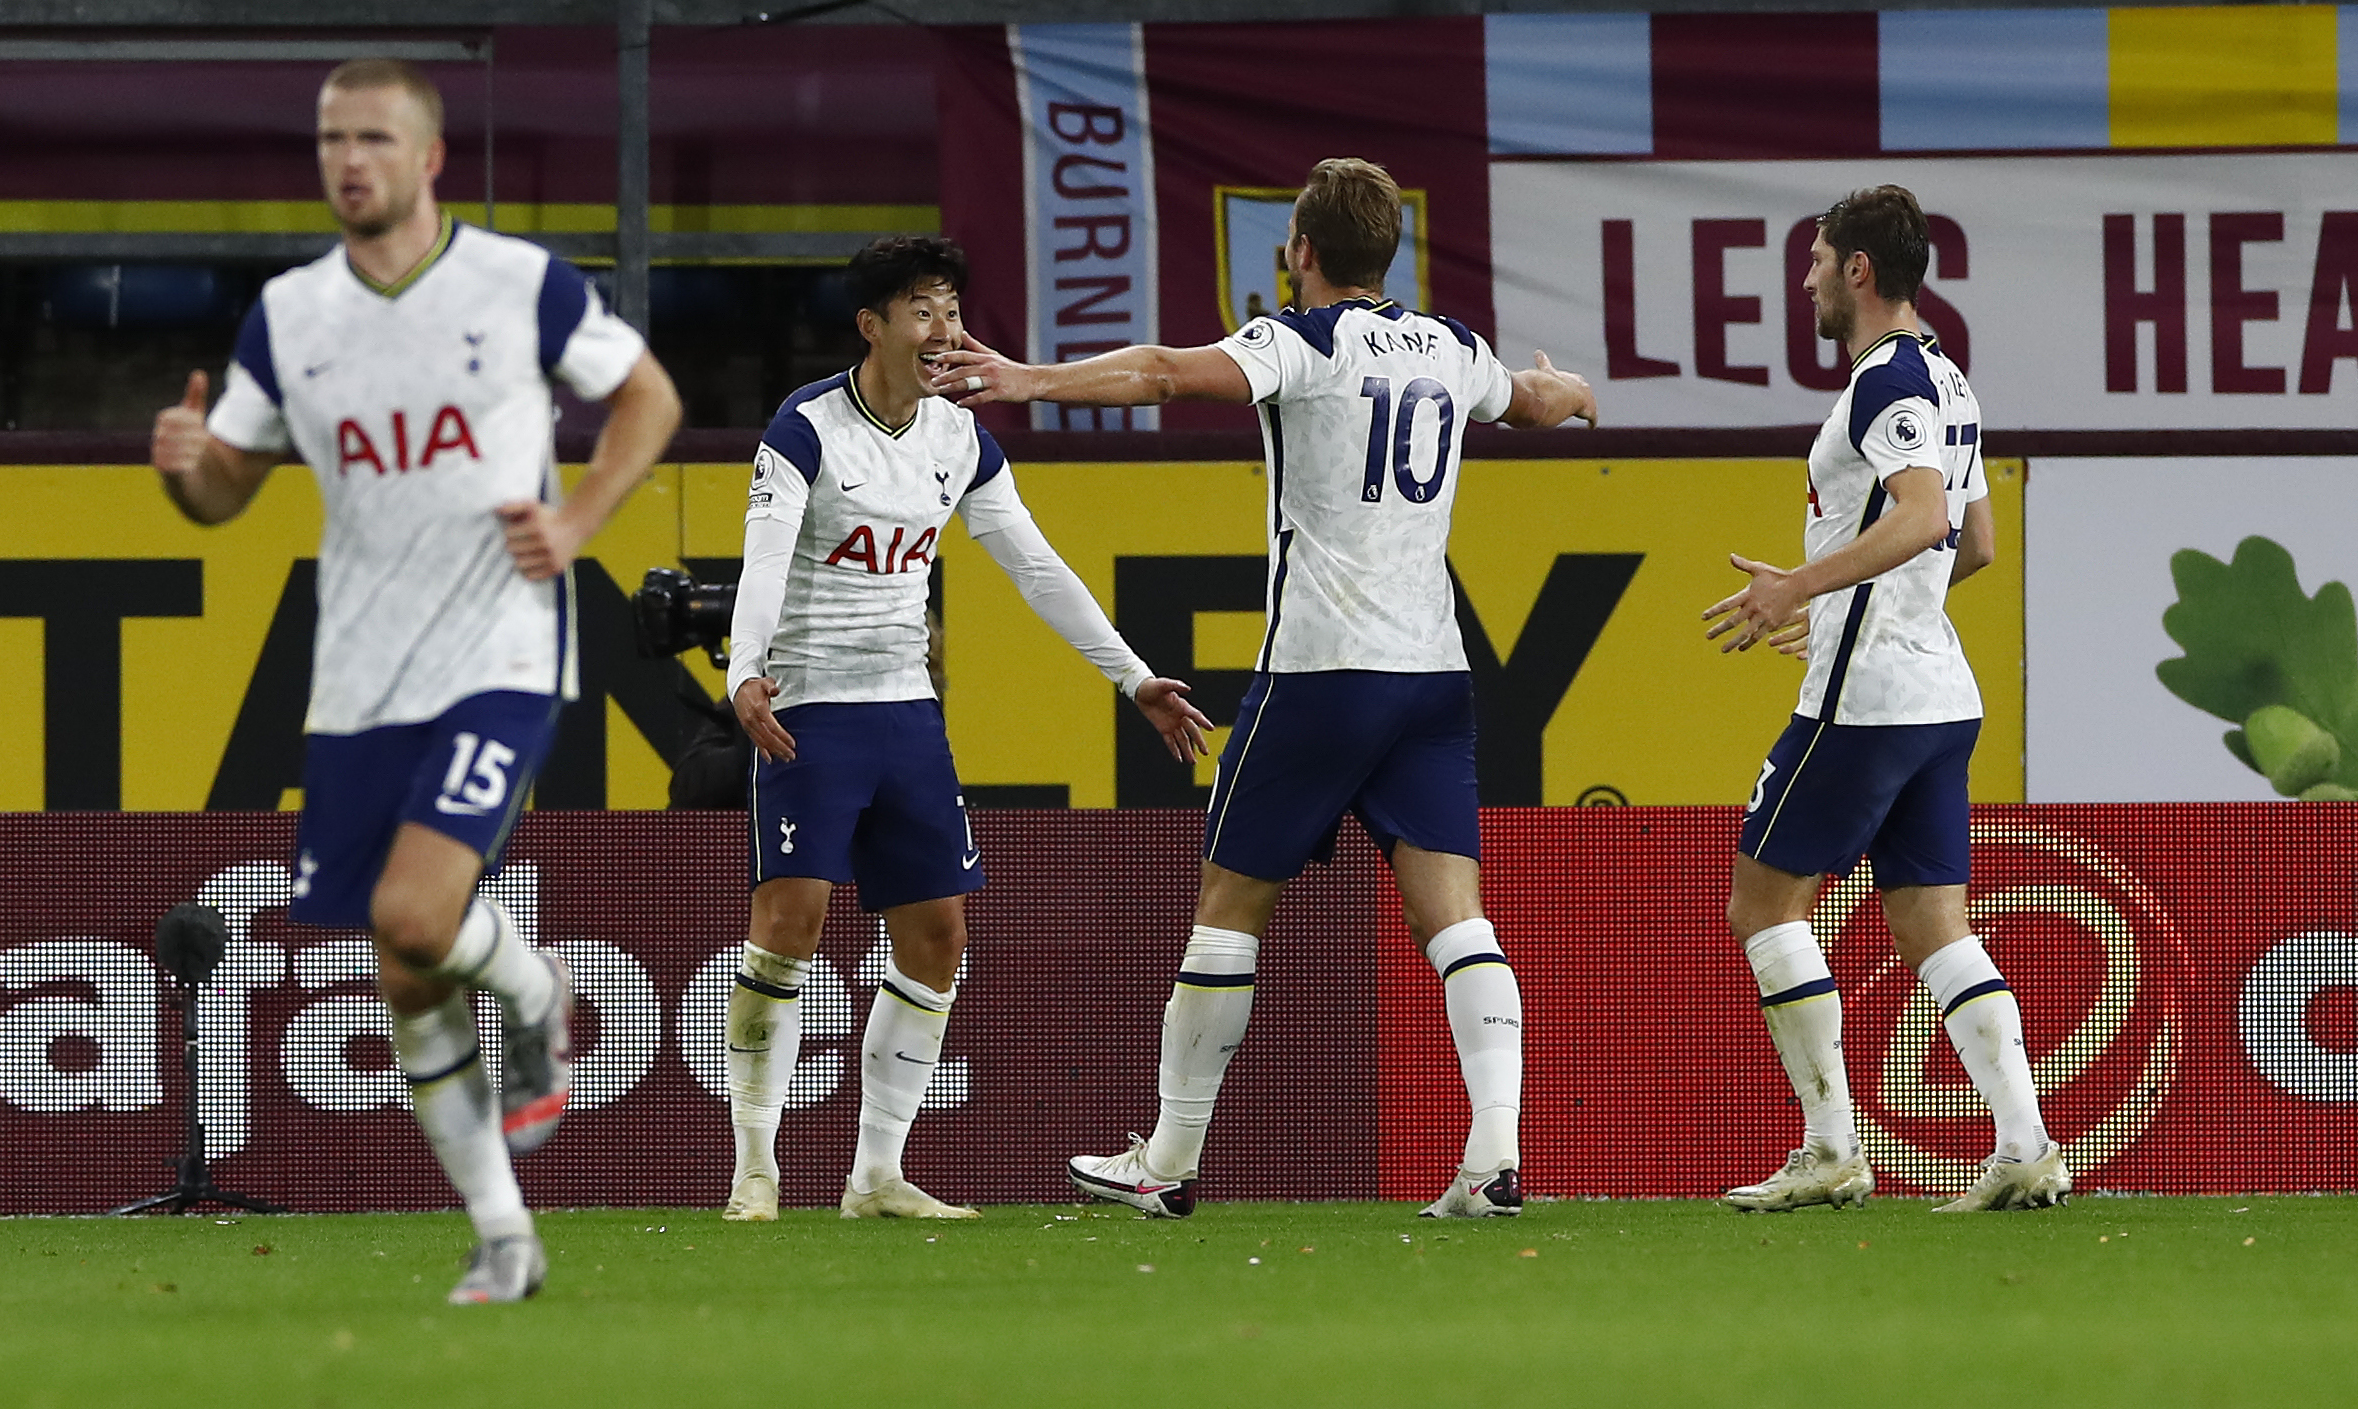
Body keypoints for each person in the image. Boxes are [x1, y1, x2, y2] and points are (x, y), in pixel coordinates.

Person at [930, 157, 1597, 1220]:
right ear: (1389, 252)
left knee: (1229, 907)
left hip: (1322, 671)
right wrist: (1569, 395)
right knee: (1456, 916)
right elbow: (1536, 398)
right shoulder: (1453, 346)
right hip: (1432, 673)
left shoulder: (1302, 339)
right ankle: (1494, 1158)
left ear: (1302, 253)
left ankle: (1169, 1158)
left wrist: (1023, 378)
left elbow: (1158, 372)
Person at [151, 58, 682, 1300]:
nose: (351, 160)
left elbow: (648, 394)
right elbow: (225, 489)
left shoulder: (518, 284)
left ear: (430, 156)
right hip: (357, 676)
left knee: (411, 915)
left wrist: (586, 512)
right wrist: (187, 467)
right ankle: (506, 1238)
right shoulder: (288, 313)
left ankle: (543, 995)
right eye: (333, 137)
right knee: (403, 972)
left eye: (376, 138)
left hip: (498, 647)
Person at [723, 235, 1211, 1223]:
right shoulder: (805, 426)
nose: (942, 330)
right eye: (921, 311)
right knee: (790, 926)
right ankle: (756, 1168)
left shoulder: (958, 437)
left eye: (949, 308)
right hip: (810, 711)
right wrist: (745, 670)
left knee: (939, 937)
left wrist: (1132, 679)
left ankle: (875, 1175)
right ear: (873, 327)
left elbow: (1035, 568)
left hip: (908, 712)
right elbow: (763, 560)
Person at [1704, 184, 2065, 1215]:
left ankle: (1829, 1146)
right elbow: (1978, 541)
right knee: (1931, 920)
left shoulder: (1887, 380)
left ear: (1859, 269)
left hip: (1865, 702)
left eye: (1817, 259)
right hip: (1938, 691)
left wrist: (1802, 589)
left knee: (1762, 902)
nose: (1808, 278)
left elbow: (1920, 517)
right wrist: (1855, 604)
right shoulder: (1950, 380)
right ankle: (2027, 1142)